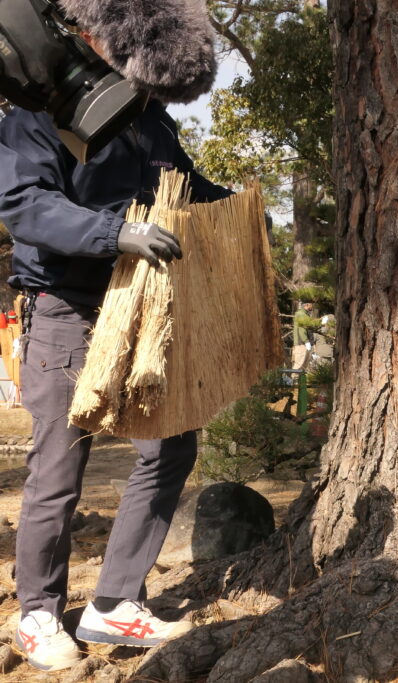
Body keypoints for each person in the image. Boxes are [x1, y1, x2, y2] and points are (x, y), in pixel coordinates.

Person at [0, 30, 233, 671]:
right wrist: (115, 232)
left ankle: (113, 603)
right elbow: (23, 205)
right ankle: (39, 614)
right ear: (82, 33)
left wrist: (235, 209)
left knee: (171, 446)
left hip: (141, 311)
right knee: (59, 467)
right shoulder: (33, 113)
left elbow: (184, 185)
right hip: (66, 311)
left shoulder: (150, 118)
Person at [291, 301, 317, 371]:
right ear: (307, 305)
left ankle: (298, 381)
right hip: (301, 344)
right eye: (311, 304)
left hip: (304, 344)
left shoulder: (305, 314)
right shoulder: (302, 314)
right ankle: (294, 381)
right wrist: (306, 341)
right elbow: (302, 329)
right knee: (298, 366)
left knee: (303, 367)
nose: (312, 306)